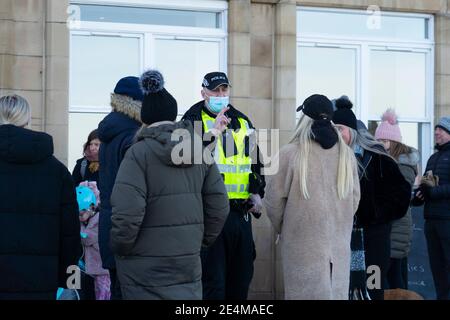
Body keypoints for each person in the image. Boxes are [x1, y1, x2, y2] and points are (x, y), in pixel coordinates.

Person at [110, 70, 229, 299]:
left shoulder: (138, 153)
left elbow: (126, 213)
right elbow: (219, 206)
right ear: (174, 116)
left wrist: (121, 248)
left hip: (143, 267)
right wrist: (200, 242)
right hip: (187, 260)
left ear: (144, 118)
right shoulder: (200, 151)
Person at [263, 94, 360, 299]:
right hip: (338, 249)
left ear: (304, 119)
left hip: (302, 250)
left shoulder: (289, 154)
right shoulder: (346, 156)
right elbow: (354, 200)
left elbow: (272, 202)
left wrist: (287, 228)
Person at [182, 72, 266, 300]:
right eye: (215, 91)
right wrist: (213, 133)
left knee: (240, 281)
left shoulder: (241, 120)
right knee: (213, 284)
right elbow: (185, 160)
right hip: (209, 214)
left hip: (240, 214)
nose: (220, 95)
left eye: (224, 90)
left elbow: (256, 162)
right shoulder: (192, 119)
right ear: (204, 93)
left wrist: (257, 192)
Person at [0, 95, 81, 299]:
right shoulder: (58, 172)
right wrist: (72, 284)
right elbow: (70, 235)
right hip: (40, 280)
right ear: (27, 120)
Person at [332, 96, 411, 300]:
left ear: (352, 130)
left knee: (372, 290)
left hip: (374, 240)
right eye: (334, 128)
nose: (336, 134)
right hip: (341, 240)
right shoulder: (330, 159)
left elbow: (402, 196)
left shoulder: (378, 158)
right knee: (343, 291)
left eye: (340, 128)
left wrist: (376, 214)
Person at [97, 76, 143, 300]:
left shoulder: (109, 132)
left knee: (118, 290)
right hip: (129, 229)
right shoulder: (133, 135)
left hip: (110, 225)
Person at [374, 109, 420, 290]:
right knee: (388, 277)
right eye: (378, 141)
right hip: (391, 228)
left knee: (391, 279)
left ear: (394, 143)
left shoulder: (401, 166)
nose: (380, 145)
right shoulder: (390, 162)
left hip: (395, 229)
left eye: (384, 141)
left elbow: (392, 198)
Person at [413, 116, 450, 300]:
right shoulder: (433, 158)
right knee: (436, 268)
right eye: (436, 129)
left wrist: (433, 192)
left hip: (447, 221)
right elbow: (426, 185)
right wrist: (418, 196)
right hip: (431, 221)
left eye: (441, 129)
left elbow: (439, 189)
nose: (436, 132)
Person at [76, 182, 111, 300]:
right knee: (96, 292)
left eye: (81, 213)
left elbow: (88, 238)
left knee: (104, 294)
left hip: (102, 268)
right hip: (93, 266)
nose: (79, 217)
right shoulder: (86, 220)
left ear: (91, 207)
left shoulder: (98, 221)